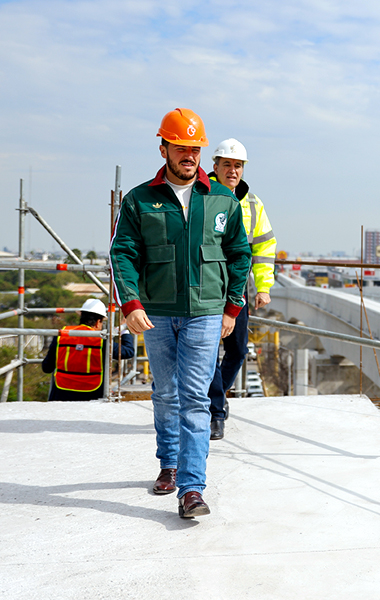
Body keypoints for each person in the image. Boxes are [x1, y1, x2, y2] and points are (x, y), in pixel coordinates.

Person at [110, 108, 251, 519]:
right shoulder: (140, 199)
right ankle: (168, 463)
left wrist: (231, 307)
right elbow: (123, 252)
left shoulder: (222, 199)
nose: (188, 154)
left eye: (195, 147)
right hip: (155, 313)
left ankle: (191, 489)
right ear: (164, 148)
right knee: (165, 393)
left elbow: (239, 254)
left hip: (206, 313)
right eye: (180, 147)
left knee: (193, 397)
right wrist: (130, 303)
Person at [206, 138, 276, 441]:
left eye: (237, 166)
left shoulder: (252, 203)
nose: (232, 171)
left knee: (237, 349)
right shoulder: (200, 195)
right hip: (206, 286)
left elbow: (263, 248)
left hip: (237, 289)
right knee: (206, 351)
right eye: (227, 165)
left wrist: (263, 286)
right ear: (215, 167)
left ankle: (216, 395)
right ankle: (215, 412)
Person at [41, 298, 135, 401]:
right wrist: (124, 330)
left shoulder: (62, 335)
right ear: (98, 322)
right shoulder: (101, 341)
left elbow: (47, 367)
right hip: (92, 396)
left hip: (61, 395)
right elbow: (128, 351)